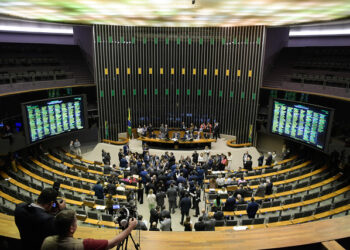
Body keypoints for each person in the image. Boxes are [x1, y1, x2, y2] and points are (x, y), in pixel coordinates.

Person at [41, 209, 137, 250]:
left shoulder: (47, 241)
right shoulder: (84, 244)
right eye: (75, 221)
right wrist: (130, 227)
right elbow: (113, 243)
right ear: (71, 228)